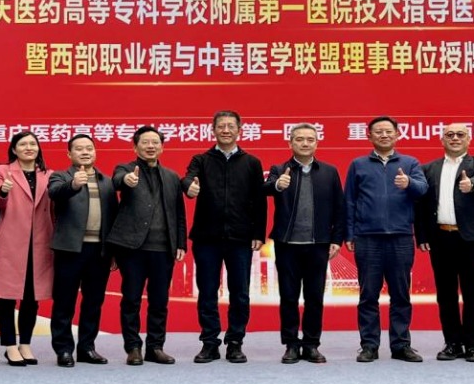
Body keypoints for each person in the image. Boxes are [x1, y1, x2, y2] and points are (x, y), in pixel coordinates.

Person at [182, 111, 265, 363]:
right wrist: (189, 186)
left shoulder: (251, 162)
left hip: (240, 238)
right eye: (221, 126)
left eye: (230, 126)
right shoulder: (201, 160)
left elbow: (259, 201)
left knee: (240, 293)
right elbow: (188, 178)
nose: (226, 130)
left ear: (239, 129)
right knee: (207, 292)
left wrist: (258, 233)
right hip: (207, 238)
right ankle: (209, 343)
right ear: (213, 129)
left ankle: (235, 342)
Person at [345, 115, 428, 363]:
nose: (384, 135)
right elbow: (349, 201)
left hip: (400, 238)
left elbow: (423, 190)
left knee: (401, 295)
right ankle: (369, 345)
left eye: (388, 131)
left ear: (397, 135)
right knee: (368, 295)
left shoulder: (410, 163)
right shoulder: (358, 164)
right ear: (369, 136)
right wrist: (349, 233)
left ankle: (401, 345)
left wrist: (408, 182)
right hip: (367, 238)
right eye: (378, 131)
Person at [263, 123, 345, 364]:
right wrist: (277, 185)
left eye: (310, 139)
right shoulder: (280, 169)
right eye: (299, 139)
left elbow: (339, 208)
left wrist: (336, 239)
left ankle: (311, 344)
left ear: (317, 143)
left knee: (314, 297)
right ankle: (290, 344)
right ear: (290, 143)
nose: (305, 143)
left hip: (318, 244)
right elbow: (264, 188)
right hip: (287, 244)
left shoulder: (329, 172)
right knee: (288, 297)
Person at [414, 122, 474, 362]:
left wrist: (472, 183)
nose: (455, 138)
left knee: (472, 293)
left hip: (470, 239)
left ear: (469, 139)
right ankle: (452, 343)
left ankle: (472, 345)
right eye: (450, 134)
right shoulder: (429, 168)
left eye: (460, 134)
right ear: (442, 140)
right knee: (445, 294)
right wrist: (422, 235)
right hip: (440, 238)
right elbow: (421, 205)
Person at [109, 126, 186, 365]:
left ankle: (155, 347)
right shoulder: (125, 169)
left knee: (159, 301)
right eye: (145, 142)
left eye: (155, 142)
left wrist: (180, 242)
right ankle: (133, 347)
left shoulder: (172, 177)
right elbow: (117, 181)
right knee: (131, 299)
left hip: (163, 248)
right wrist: (127, 180)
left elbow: (179, 212)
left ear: (162, 147)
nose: (150, 146)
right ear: (135, 147)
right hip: (132, 248)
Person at [0, 130, 54, 366]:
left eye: (33, 143)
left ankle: (25, 344)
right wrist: (3, 190)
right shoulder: (2, 171)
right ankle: (10, 346)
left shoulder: (49, 174)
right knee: (7, 296)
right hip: (11, 242)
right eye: (23, 144)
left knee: (32, 298)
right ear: (14, 149)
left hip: (40, 242)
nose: (29, 148)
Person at [48, 134, 118, 367]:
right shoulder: (60, 176)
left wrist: (113, 251)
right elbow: (55, 193)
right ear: (69, 154)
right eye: (79, 149)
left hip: (99, 251)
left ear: (95, 152)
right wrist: (74, 185)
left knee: (93, 302)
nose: (85, 152)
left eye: (89, 148)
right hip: (69, 249)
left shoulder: (106, 181)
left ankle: (87, 347)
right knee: (64, 302)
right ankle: (63, 349)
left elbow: (113, 216)